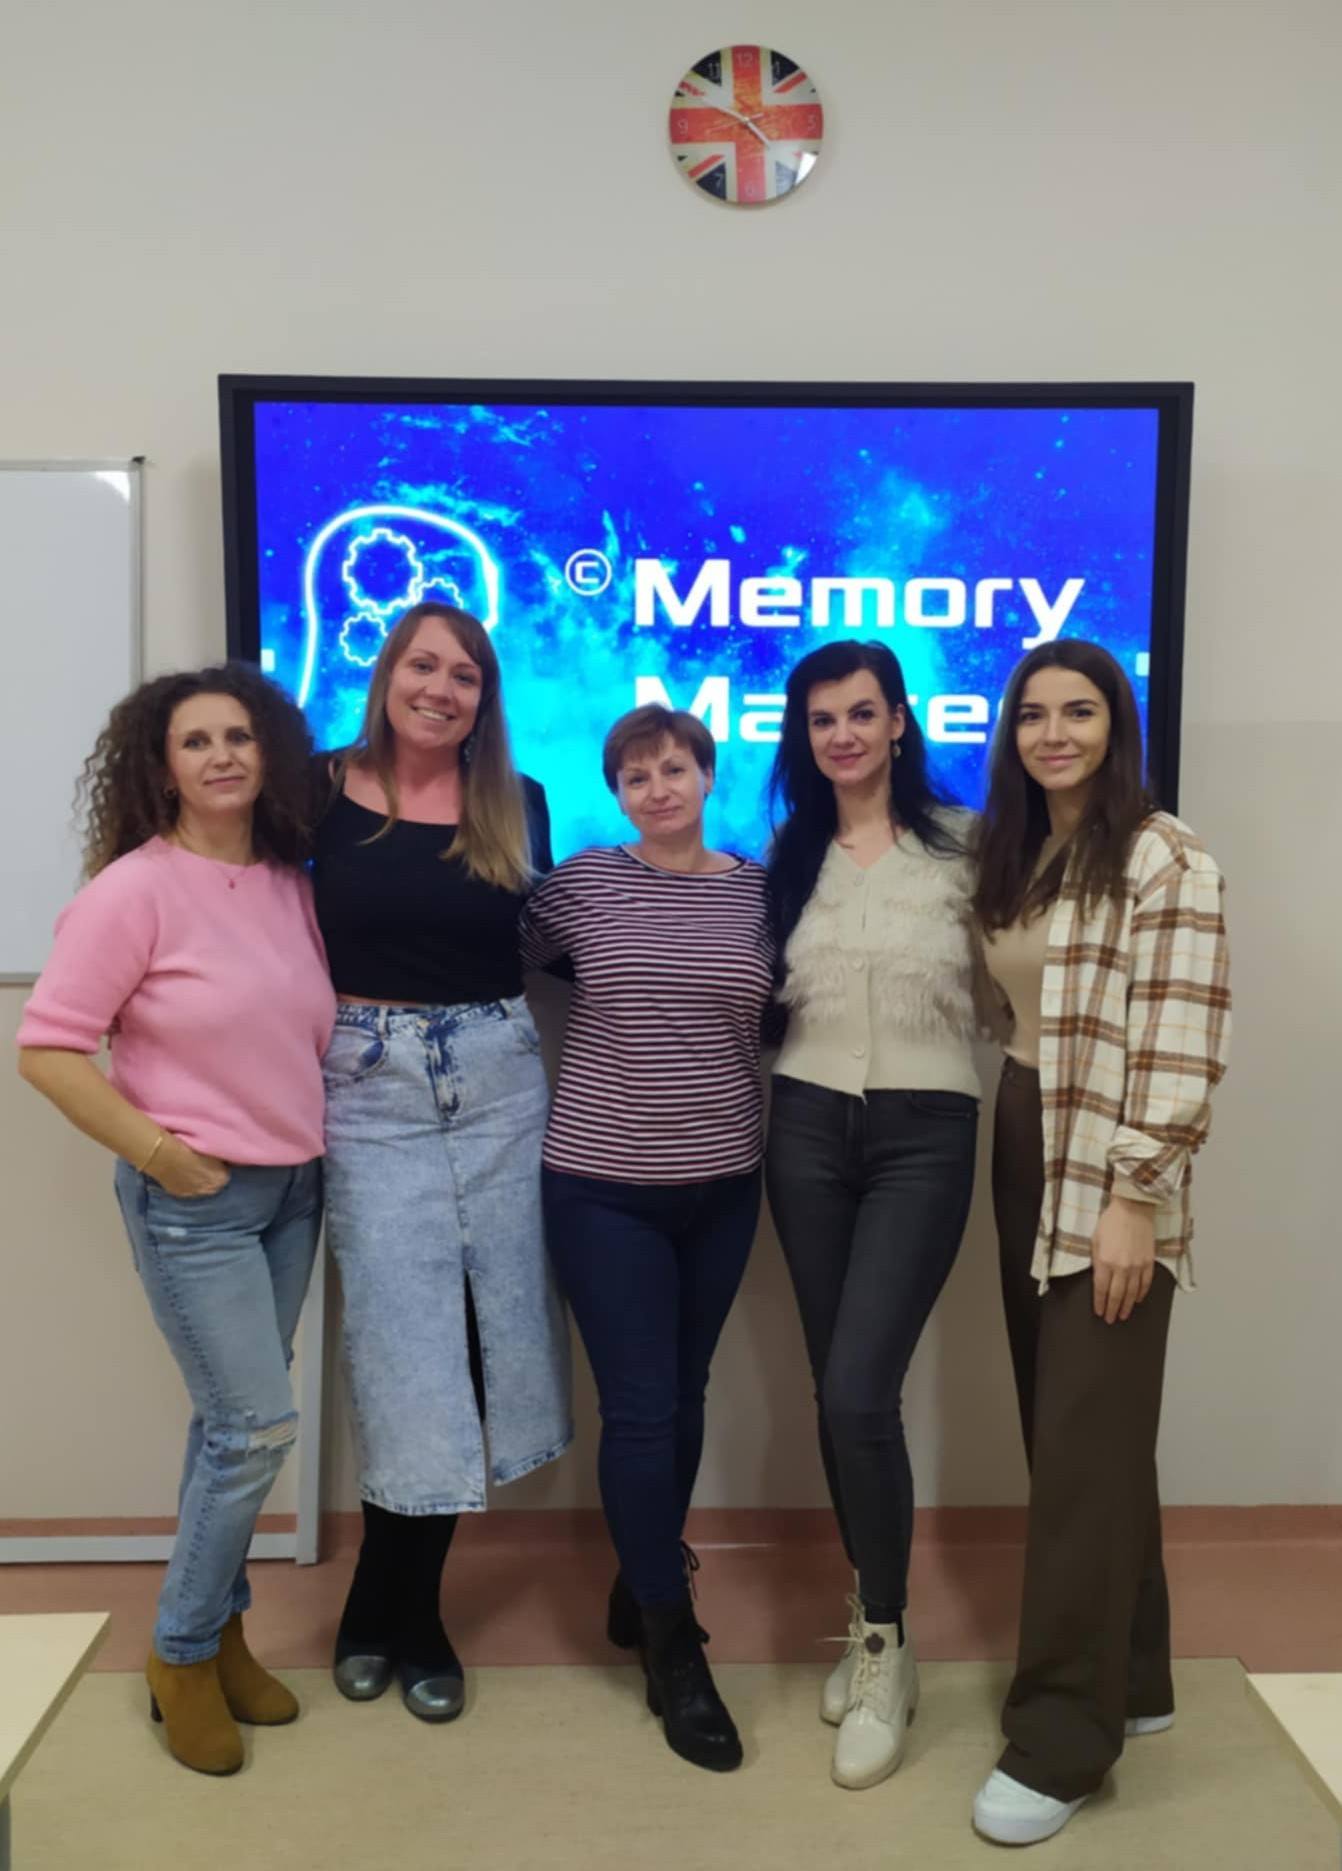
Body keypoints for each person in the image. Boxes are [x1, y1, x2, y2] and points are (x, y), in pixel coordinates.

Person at [16, 665, 335, 1776]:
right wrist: (160, 1153)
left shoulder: (291, 884)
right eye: (195, 741)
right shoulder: (132, 891)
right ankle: (181, 1652)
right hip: (196, 1201)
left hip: (293, 1190)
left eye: (239, 735)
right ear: (161, 767)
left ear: (268, 753)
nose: (221, 755)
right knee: (255, 1429)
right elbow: (49, 1049)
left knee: (228, 1428)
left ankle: (224, 1633)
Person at [969, 639, 1230, 1847]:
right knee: (1079, 1435)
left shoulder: (1163, 855)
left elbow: (1181, 1036)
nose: (1054, 732)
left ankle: (1062, 1740)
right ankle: (1137, 1673)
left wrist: (1136, 1196)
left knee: (1082, 1448)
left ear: (1115, 724)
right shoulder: (1019, 850)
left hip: (1112, 1165)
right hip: (1024, 1131)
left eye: (1078, 710)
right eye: (1032, 713)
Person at [312, 600, 571, 1725]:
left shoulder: (518, 800)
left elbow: (554, 943)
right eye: (423, 664)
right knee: (401, 1350)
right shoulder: (313, 787)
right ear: (387, 674)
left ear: (484, 699)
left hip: (501, 1082)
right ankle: (394, 1605)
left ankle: (399, 1608)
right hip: (368, 1088)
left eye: (465, 674)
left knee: (477, 1342)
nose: (441, 688)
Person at [520, 704, 773, 1773]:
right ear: (617, 793)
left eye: (674, 767)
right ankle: (674, 1646)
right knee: (637, 1408)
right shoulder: (581, 883)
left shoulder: (762, 891)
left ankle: (642, 1579)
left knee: (685, 1393)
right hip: (602, 1187)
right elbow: (501, 963)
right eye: (635, 776)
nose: (657, 788)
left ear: (708, 774)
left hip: (726, 1183)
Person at [763, 641, 980, 1791]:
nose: (841, 734)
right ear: (801, 736)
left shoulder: (966, 847)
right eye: (821, 719)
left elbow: (1016, 978)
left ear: (900, 720)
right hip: (802, 1126)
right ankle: (872, 1608)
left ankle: (887, 1643)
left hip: (924, 1130)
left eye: (861, 712)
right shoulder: (787, 857)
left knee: (859, 1389)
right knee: (834, 1392)